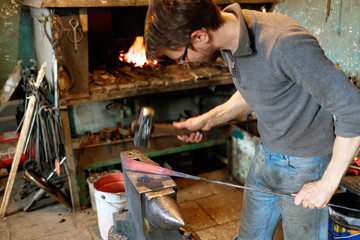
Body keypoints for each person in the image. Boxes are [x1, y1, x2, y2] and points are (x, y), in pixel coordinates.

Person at [144, 0, 360, 239]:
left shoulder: (284, 42)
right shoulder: (233, 40)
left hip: (305, 165)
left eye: (182, 57)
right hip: (266, 153)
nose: (184, 63)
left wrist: (327, 184)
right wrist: (208, 119)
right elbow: (259, 88)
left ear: (200, 36)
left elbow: (354, 110)